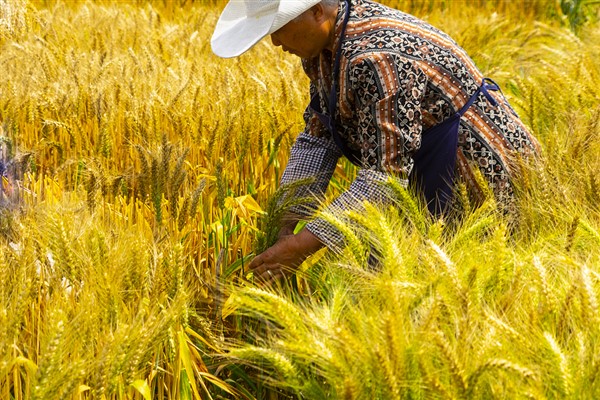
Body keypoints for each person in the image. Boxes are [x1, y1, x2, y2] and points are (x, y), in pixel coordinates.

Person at [211, 0, 540, 283]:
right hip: (422, 165)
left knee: (474, 274)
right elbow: (318, 137)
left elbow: (384, 177)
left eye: (279, 28)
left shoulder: (375, 57)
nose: (275, 43)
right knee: (397, 280)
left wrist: (303, 245)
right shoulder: (321, 49)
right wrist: (286, 219)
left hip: (475, 167)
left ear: (315, 13)